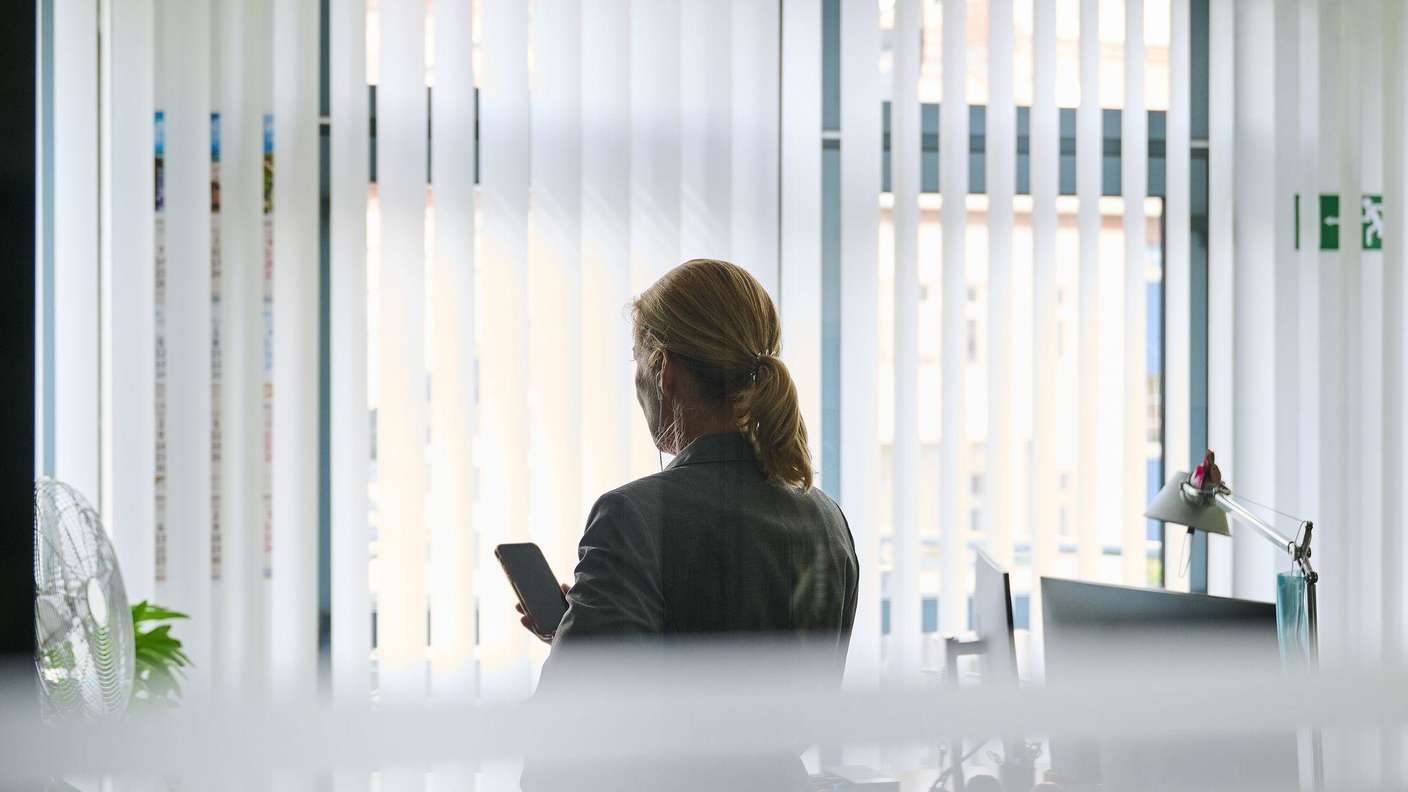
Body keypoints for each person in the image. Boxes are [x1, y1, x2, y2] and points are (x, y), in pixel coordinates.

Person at [518, 258, 859, 791]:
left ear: (664, 368)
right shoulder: (827, 521)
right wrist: (578, 632)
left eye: (637, 360)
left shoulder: (631, 517)